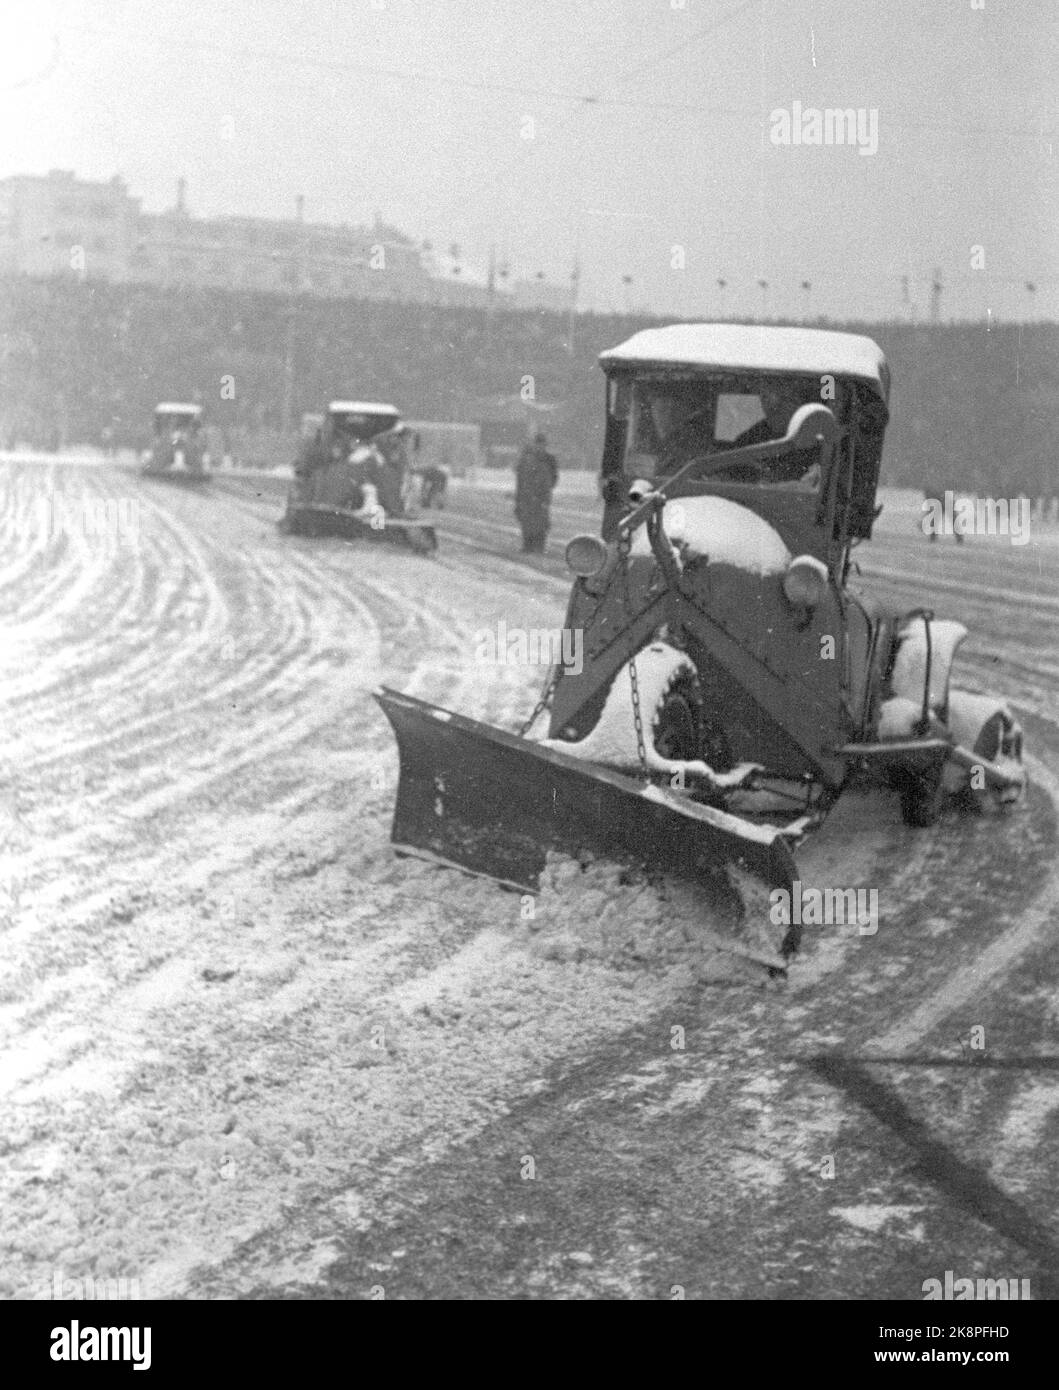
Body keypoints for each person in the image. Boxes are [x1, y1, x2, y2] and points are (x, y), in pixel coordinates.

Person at [515, 431, 558, 553]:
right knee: (527, 520)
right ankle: (528, 544)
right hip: (528, 494)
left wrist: (546, 488)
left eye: (542, 444)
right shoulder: (528, 459)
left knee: (541, 521)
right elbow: (520, 477)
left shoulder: (549, 459)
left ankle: (539, 545)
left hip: (541, 494)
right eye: (538, 444)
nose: (540, 447)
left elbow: (554, 477)